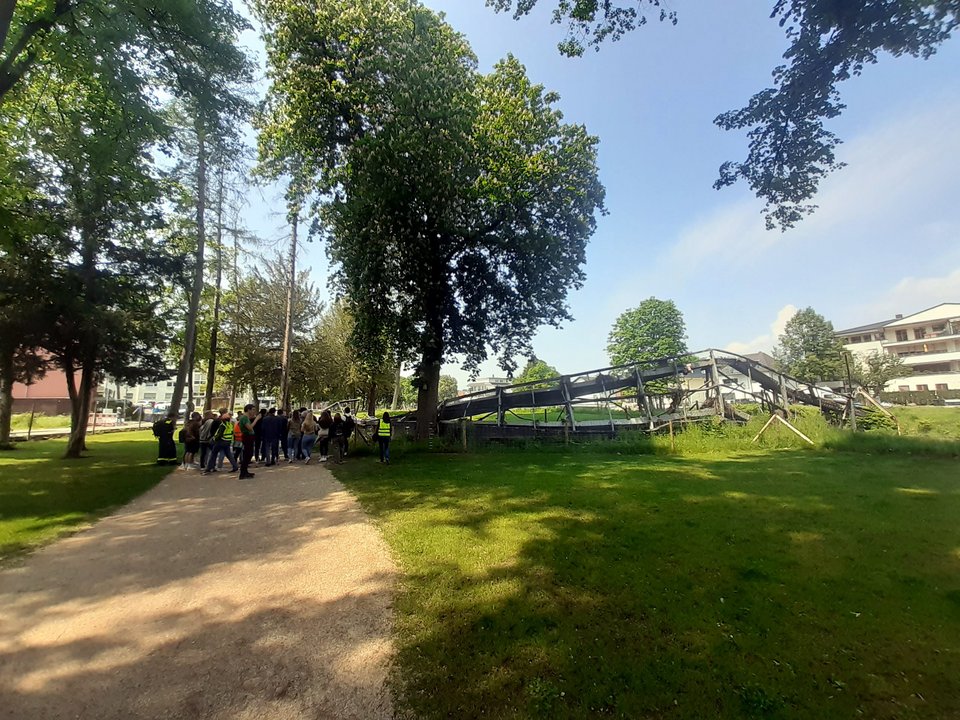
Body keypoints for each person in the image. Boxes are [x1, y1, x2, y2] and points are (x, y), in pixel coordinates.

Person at [203, 409, 237, 474]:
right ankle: (235, 466)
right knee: (229, 454)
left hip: (221, 441)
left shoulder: (223, 425)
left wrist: (214, 439)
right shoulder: (230, 425)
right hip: (228, 441)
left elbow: (219, 434)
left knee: (213, 454)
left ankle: (209, 468)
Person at [237, 403, 259, 479]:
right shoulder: (244, 418)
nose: (254, 411)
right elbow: (250, 428)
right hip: (247, 437)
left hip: (249, 437)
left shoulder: (246, 418)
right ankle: (242, 473)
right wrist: (256, 419)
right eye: (253, 410)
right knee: (247, 454)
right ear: (248, 410)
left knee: (249, 454)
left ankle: (245, 471)